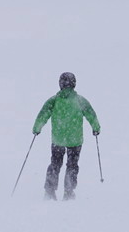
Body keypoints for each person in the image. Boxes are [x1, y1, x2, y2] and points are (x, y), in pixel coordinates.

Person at [32, 72, 100, 201]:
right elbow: (91, 114)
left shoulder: (54, 100)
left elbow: (43, 115)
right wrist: (96, 128)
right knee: (72, 166)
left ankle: (50, 191)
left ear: (60, 84)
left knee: (55, 164)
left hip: (58, 139)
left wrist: (37, 128)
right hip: (75, 140)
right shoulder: (80, 101)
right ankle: (69, 192)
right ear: (74, 84)